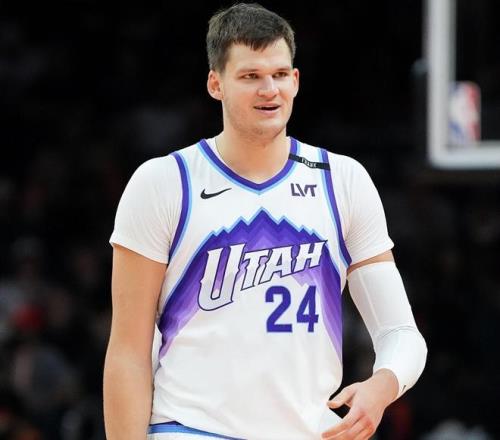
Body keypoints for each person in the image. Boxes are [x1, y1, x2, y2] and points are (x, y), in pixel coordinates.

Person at [103, 3, 427, 439]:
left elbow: (401, 332)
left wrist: (382, 387)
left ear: (296, 80)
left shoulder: (342, 181)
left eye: (279, 74)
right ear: (216, 84)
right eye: (251, 76)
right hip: (190, 428)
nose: (269, 90)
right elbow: (128, 351)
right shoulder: (165, 182)